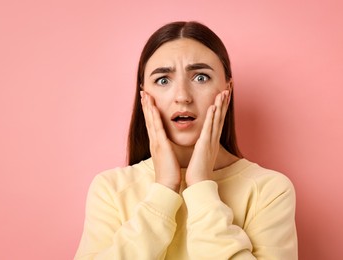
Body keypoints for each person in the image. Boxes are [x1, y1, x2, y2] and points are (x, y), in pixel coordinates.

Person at [74, 21, 297, 260]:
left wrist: (201, 186)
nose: (182, 97)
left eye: (201, 77)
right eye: (163, 80)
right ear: (143, 95)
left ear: (227, 90)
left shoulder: (270, 190)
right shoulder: (110, 189)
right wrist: (164, 190)